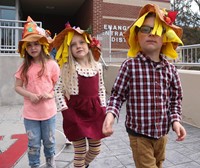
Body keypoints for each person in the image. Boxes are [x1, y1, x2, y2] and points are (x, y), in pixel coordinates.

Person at [102, 4, 186, 168]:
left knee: (158, 163)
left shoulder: (171, 70)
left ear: (165, 38)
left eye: (158, 30)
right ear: (137, 36)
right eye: (145, 29)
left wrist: (175, 121)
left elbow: (176, 100)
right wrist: (110, 115)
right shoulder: (130, 66)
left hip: (162, 134)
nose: (152, 34)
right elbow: (117, 95)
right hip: (139, 134)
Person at [52, 23, 106, 168]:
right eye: (73, 44)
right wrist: (65, 110)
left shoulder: (97, 66)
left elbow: (101, 88)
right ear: (69, 49)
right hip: (75, 113)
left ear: (89, 44)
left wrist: (104, 108)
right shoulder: (67, 67)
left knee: (95, 149)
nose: (78, 46)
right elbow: (57, 90)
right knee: (80, 152)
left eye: (81, 42)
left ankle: (84, 165)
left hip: (95, 112)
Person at [14, 16, 60, 168]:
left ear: (42, 45)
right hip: (31, 114)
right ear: (25, 49)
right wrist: (30, 95)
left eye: (36, 44)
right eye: (29, 46)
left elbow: (59, 88)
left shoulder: (52, 65)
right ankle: (34, 165)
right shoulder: (24, 67)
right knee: (33, 143)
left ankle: (50, 163)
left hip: (49, 113)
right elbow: (18, 86)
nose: (33, 48)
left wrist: (49, 95)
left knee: (50, 141)